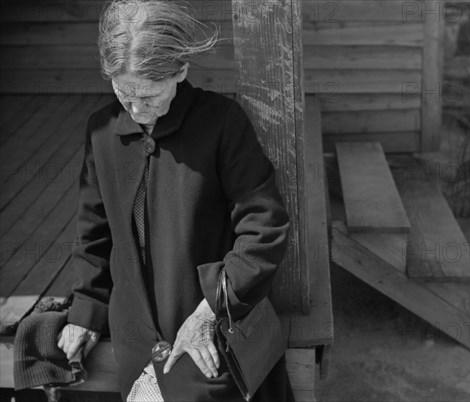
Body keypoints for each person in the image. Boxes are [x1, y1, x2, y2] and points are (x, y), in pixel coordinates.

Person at [56, 1, 293, 401]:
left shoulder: (221, 122)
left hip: (214, 325)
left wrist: (211, 310)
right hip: (137, 334)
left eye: (148, 96)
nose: (135, 110)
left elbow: (265, 226)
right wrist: (86, 309)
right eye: (122, 92)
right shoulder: (102, 132)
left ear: (180, 71)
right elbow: (93, 233)